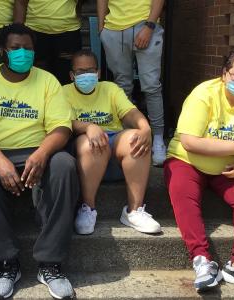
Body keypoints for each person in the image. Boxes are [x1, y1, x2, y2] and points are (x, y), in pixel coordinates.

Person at [0, 23, 77, 300]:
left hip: (37, 150)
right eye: (15, 48)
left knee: (65, 165)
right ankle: (6, 264)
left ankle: (50, 264)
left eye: (28, 48)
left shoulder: (48, 80)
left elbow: (61, 127)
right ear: (3, 50)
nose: (22, 53)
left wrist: (41, 154)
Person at [164, 49, 234, 293]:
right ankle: (202, 259)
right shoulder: (203, 94)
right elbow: (189, 141)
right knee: (182, 193)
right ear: (224, 74)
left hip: (228, 168)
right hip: (187, 160)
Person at [65, 50, 161, 235]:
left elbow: (130, 112)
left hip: (115, 142)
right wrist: (88, 126)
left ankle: (134, 212)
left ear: (98, 73)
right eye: (80, 72)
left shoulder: (110, 89)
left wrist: (145, 128)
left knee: (136, 139)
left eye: (90, 70)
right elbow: (61, 122)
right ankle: (88, 209)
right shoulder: (63, 92)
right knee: (92, 142)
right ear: (71, 75)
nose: (86, 75)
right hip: (87, 148)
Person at [97, 0, 167, 166]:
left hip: (144, 23)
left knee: (151, 85)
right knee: (122, 87)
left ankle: (157, 139)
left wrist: (149, 26)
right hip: (113, 28)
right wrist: (101, 28)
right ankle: (127, 136)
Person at [23, 0, 82, 84]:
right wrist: (18, 31)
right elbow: (20, 3)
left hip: (68, 31)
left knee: (66, 76)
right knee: (36, 77)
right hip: (34, 30)